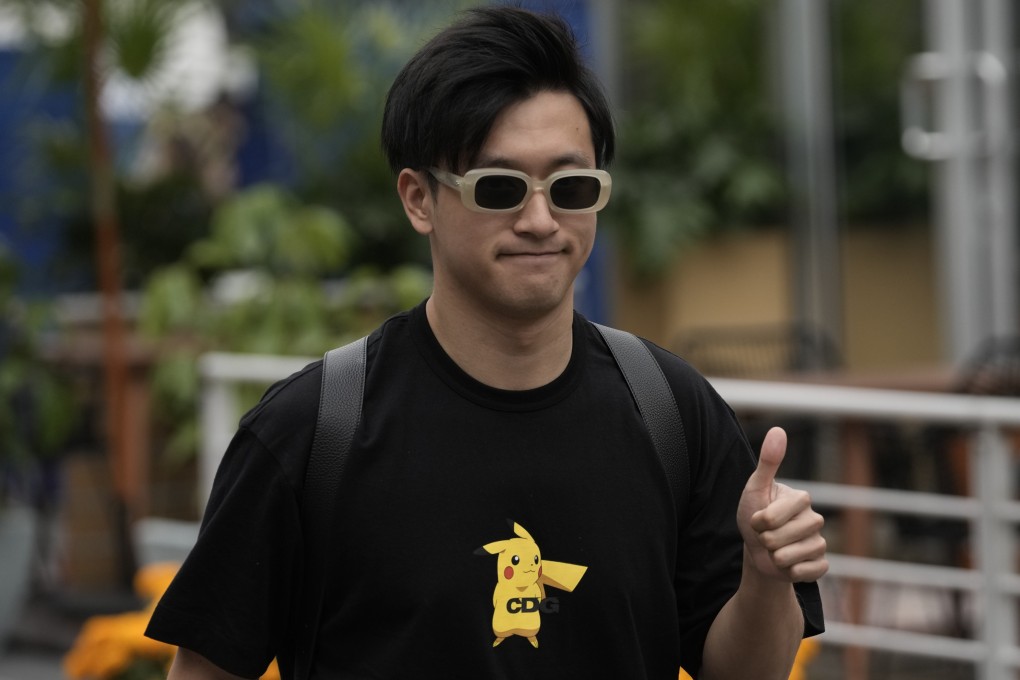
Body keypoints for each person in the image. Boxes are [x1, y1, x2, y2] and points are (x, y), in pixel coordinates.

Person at [145, 6, 827, 679]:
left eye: (571, 186)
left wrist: (764, 577)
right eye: (500, 187)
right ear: (418, 199)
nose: (540, 219)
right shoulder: (312, 431)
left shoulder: (672, 412)